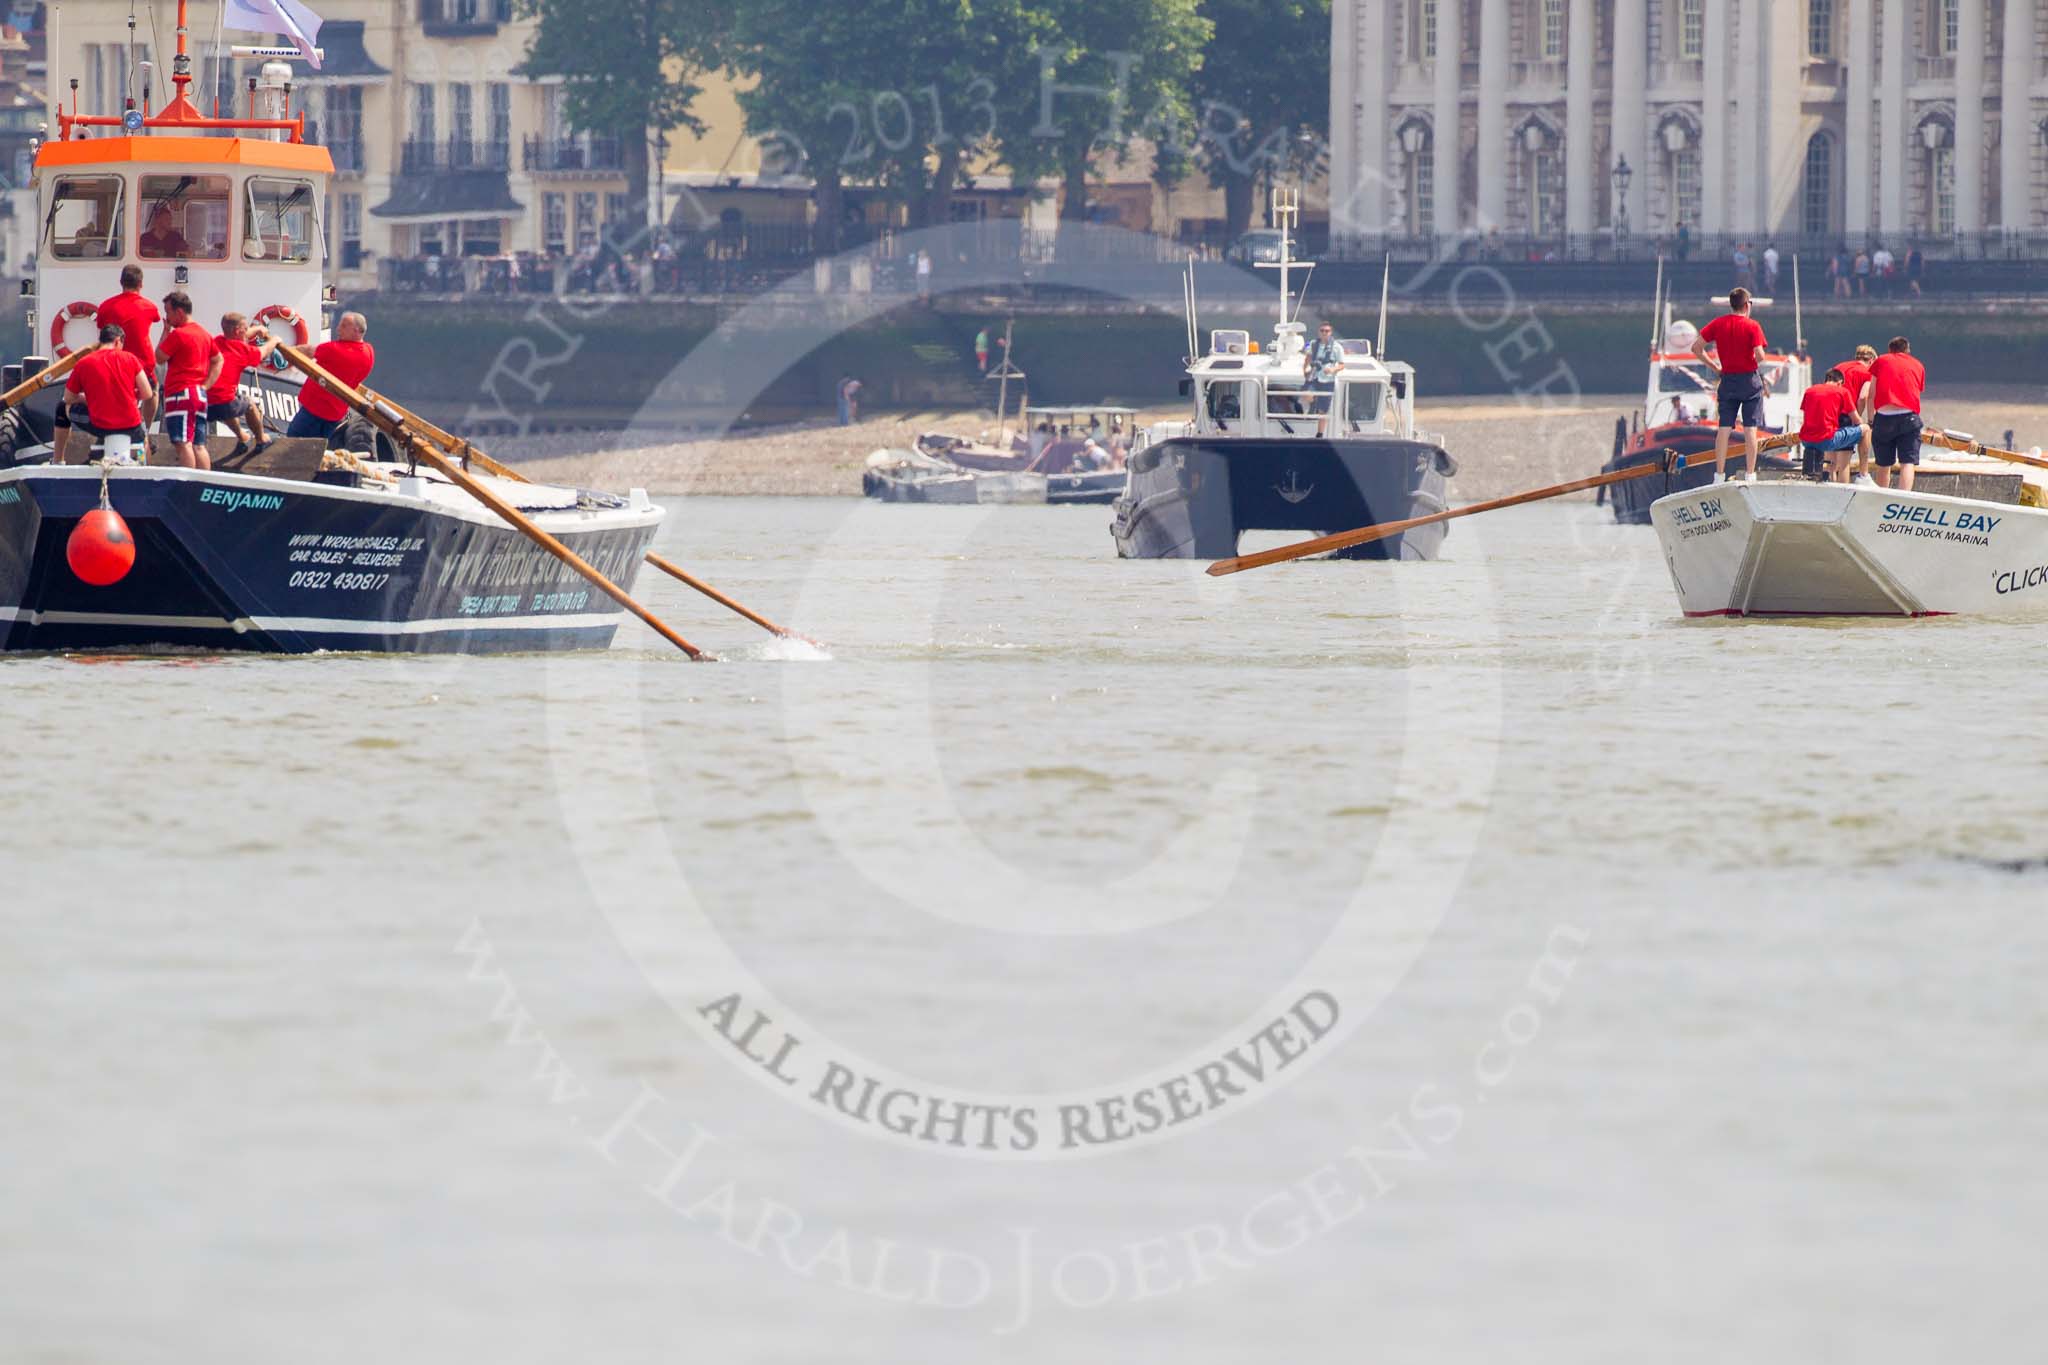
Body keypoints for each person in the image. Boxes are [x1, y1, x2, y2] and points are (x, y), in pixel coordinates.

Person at [1692, 286, 1769, 482]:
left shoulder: (1718, 324)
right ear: (1746, 305)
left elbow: (1696, 347)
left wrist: (1715, 366)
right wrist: (1749, 363)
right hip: (1749, 380)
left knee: (1724, 428)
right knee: (1750, 428)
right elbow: (1760, 355)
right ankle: (1751, 475)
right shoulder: (1753, 326)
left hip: (1727, 379)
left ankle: (1719, 474)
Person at [60, 325, 154, 465]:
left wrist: (85, 399)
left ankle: (58, 460)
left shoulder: (84, 363)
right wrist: (130, 396)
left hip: (99, 424)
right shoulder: (131, 358)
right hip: (130, 424)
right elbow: (147, 393)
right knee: (143, 440)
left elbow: (68, 398)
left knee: (62, 408)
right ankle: (146, 470)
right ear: (117, 341)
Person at [286, 312, 375, 444]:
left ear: (356, 331)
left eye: (344, 326)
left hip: (314, 409)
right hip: (336, 414)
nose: (338, 329)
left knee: (291, 442)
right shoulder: (369, 352)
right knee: (318, 447)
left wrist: (284, 350)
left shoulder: (335, 350)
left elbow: (309, 351)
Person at [156, 291, 221, 471]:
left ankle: (188, 483)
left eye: (168, 312)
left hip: (181, 393)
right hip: (198, 394)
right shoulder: (205, 334)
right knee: (198, 444)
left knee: (182, 442)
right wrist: (206, 385)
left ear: (179, 312)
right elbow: (218, 360)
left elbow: (159, 357)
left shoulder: (179, 335)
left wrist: (166, 331)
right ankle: (204, 483)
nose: (166, 317)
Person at [208, 312, 280, 458]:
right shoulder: (241, 350)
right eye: (245, 329)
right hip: (223, 403)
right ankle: (261, 440)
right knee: (249, 404)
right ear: (237, 331)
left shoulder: (217, 341)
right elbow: (262, 353)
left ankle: (243, 437)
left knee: (230, 402)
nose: (247, 332)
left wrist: (258, 329)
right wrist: (275, 341)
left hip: (207, 403)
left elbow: (237, 334)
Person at [1867, 335, 1926, 492]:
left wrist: (1871, 419)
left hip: (1884, 417)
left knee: (1883, 463)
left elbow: (1871, 393)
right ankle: (1903, 496)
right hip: (1909, 417)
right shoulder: (1918, 365)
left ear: (1889, 349)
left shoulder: (1881, 361)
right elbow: (1917, 390)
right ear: (1907, 350)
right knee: (1907, 462)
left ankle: (1882, 495)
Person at [1797, 367, 1866, 482]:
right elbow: (1857, 420)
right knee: (1866, 429)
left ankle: (1829, 479)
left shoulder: (1809, 391)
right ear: (1839, 383)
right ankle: (1864, 475)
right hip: (1827, 440)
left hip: (1806, 441)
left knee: (1831, 462)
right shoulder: (1842, 391)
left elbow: (1807, 416)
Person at [1833, 343, 1880, 481]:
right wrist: (1857, 417)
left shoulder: (1839, 367)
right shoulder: (1868, 373)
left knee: (1830, 463)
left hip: (1828, 414)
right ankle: (1859, 479)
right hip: (1846, 415)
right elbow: (1863, 397)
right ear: (1871, 361)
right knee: (1844, 463)